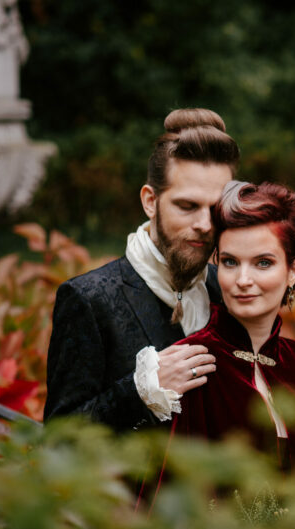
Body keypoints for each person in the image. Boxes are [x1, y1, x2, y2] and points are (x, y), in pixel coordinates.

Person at [44, 108, 239, 431]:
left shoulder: (228, 289)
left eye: (216, 209)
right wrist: (140, 392)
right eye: (187, 206)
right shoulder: (88, 299)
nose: (205, 225)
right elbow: (59, 438)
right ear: (151, 201)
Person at [162, 181, 295, 471]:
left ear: (293, 270)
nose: (242, 280)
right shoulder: (188, 362)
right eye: (230, 262)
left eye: (263, 263)